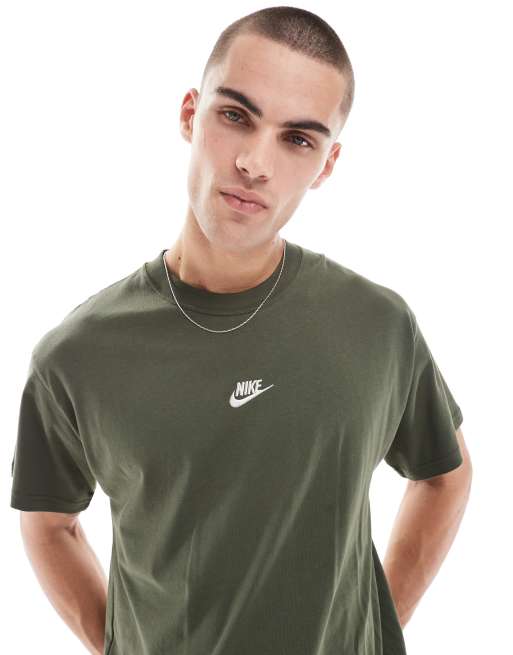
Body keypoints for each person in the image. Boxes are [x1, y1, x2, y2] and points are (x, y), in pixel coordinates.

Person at [10, 6, 472, 655]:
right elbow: (49, 520)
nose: (255, 163)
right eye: (235, 116)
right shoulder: (76, 355)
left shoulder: (378, 326)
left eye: (297, 139)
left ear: (327, 163)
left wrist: (377, 625)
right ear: (189, 114)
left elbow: (445, 474)